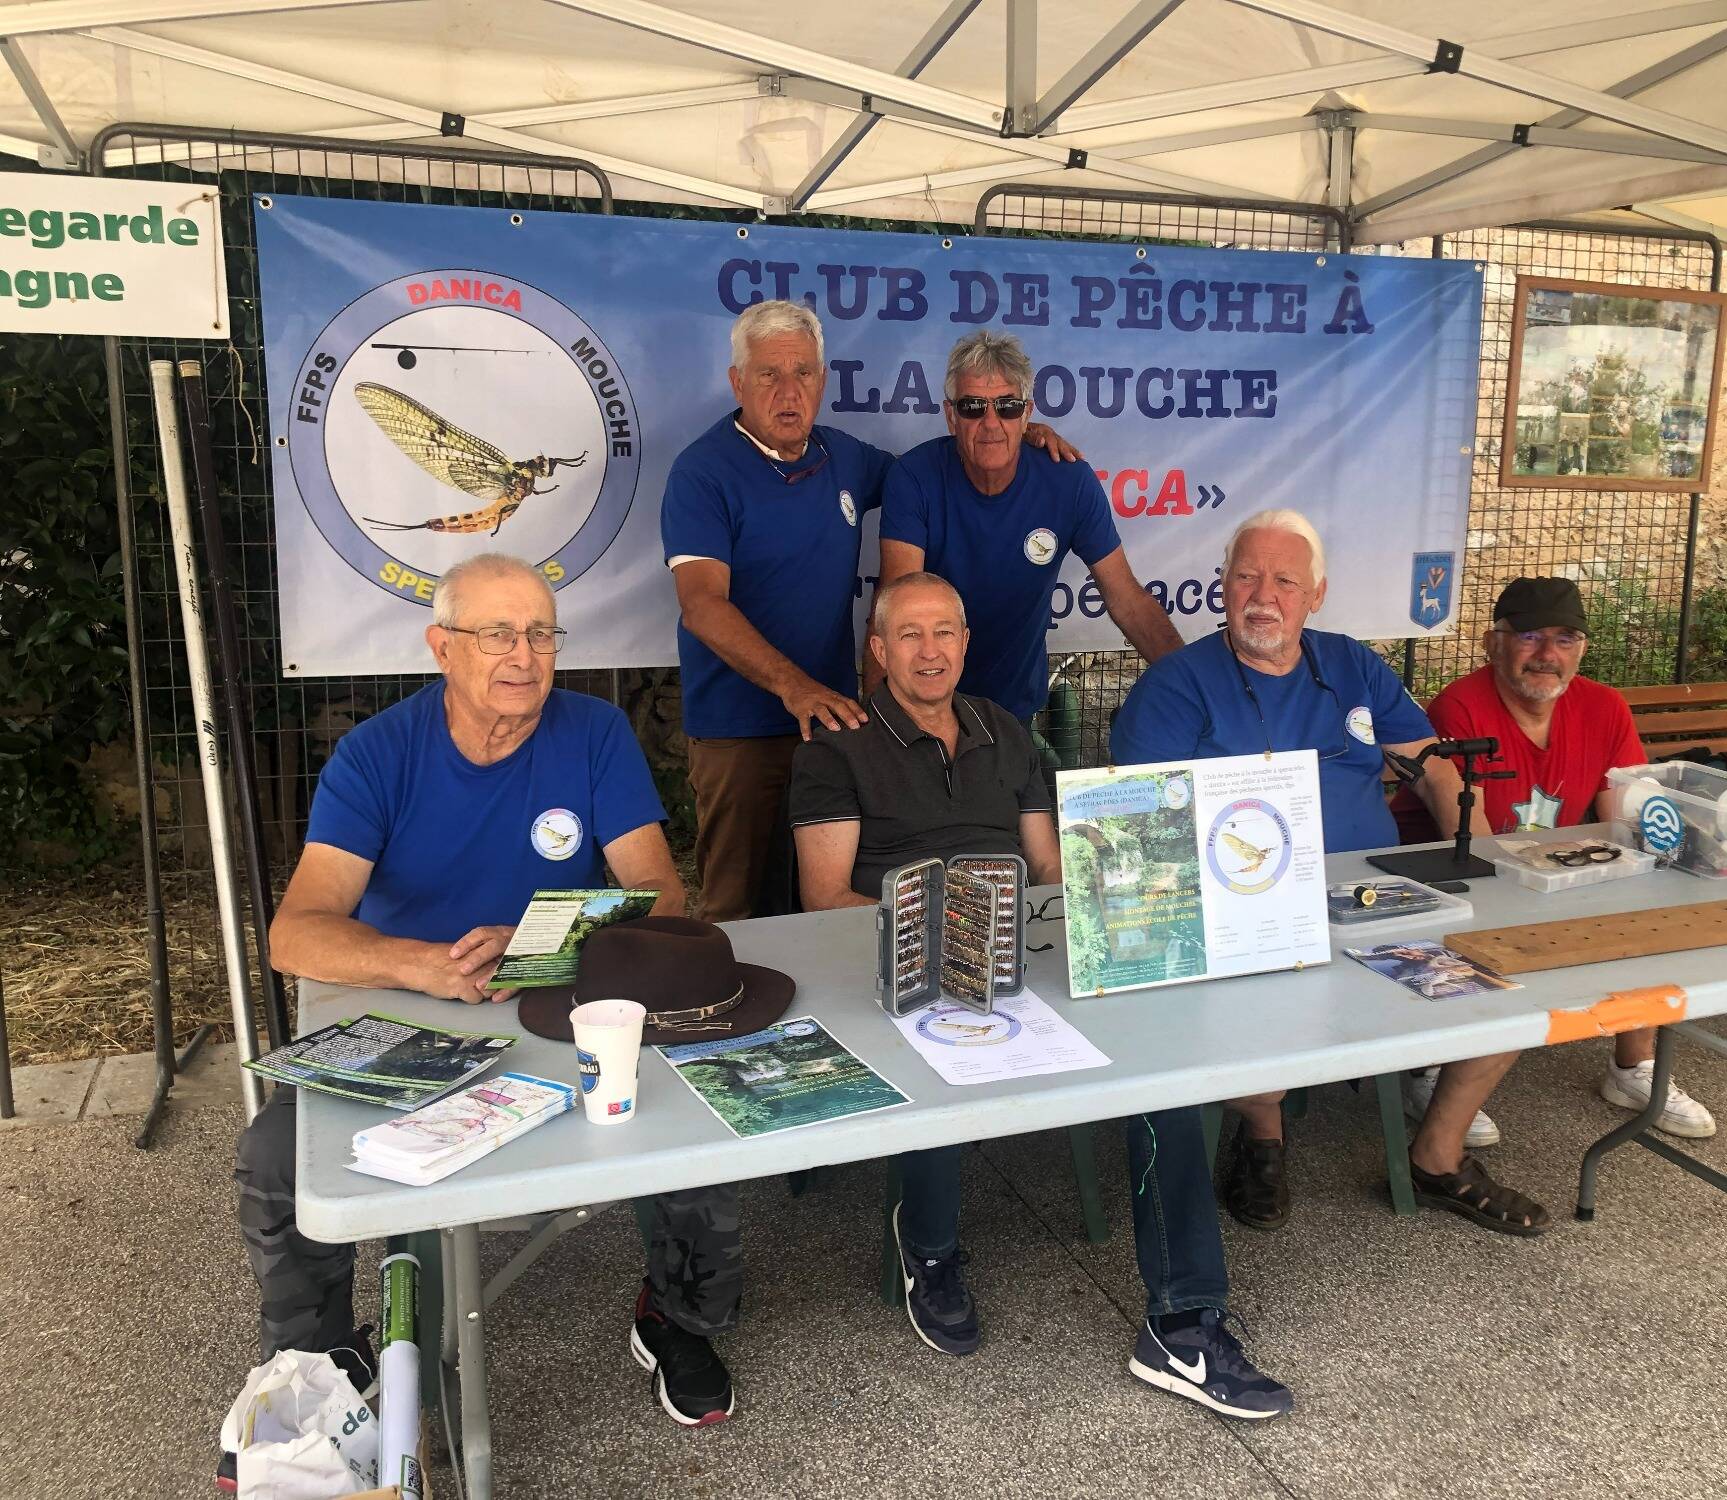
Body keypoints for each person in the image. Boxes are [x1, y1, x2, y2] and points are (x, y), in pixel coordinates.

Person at [230, 557, 733, 1494]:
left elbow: (659, 894)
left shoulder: (595, 733)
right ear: (442, 648)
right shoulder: (378, 754)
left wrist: (549, 942)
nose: (525, 655)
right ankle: (319, 1366)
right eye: (498, 634)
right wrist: (417, 960)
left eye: (542, 633)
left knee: (701, 1113)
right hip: (410, 1015)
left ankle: (678, 1317)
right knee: (275, 1162)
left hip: (564, 997)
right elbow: (295, 935)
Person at [789, 572, 1293, 1420]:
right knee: (943, 1041)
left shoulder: (1006, 734)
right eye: (908, 635)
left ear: (965, 642)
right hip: (902, 956)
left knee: (1159, 1069)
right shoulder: (834, 750)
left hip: (1028, 950)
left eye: (945, 631)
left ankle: (1183, 1321)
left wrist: (1095, 920)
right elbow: (825, 896)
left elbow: (1052, 869)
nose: (930, 651)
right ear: (878, 650)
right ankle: (931, 1250)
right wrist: (948, 928)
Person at [1110, 510, 1555, 1238]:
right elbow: (1140, 831)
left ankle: (1436, 1158)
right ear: (1221, 587)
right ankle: (1262, 1135)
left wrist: (1476, 868)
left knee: (1506, 984)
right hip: (1242, 909)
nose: (1264, 595)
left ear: (1315, 595)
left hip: (1371, 898)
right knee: (1256, 1018)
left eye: (1285, 580)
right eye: (1247, 575)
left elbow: (1432, 765)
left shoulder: (1350, 665)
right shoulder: (1175, 687)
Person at [662, 303, 1079, 921]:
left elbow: (939, 474)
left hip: (837, 726)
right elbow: (701, 606)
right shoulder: (702, 472)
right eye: (769, 374)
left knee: (826, 906)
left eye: (803, 373)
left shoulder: (847, 458)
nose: (788, 391)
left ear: (823, 381)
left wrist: (1020, 436)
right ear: (737, 382)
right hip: (741, 730)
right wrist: (795, 687)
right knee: (740, 909)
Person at [1395, 576, 1716, 1141]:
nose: (1548, 655)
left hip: (1560, 868)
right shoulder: (1460, 706)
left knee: (1641, 896)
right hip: (1457, 872)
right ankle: (1431, 1068)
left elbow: (1626, 811)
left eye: (1565, 639)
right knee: (1473, 914)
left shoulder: (1604, 707)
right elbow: (1467, 839)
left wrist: (1649, 859)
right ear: (1493, 643)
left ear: (1582, 649)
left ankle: (1632, 1067)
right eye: (1530, 637)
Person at [872, 330, 1183, 726]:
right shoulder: (914, 478)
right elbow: (895, 609)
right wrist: (882, 732)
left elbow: (1127, 598)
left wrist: (1194, 686)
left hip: (1012, 711)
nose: (990, 423)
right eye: (972, 407)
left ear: (1026, 413)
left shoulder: (1069, 482)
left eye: (1006, 406)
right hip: (923, 709)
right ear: (951, 416)